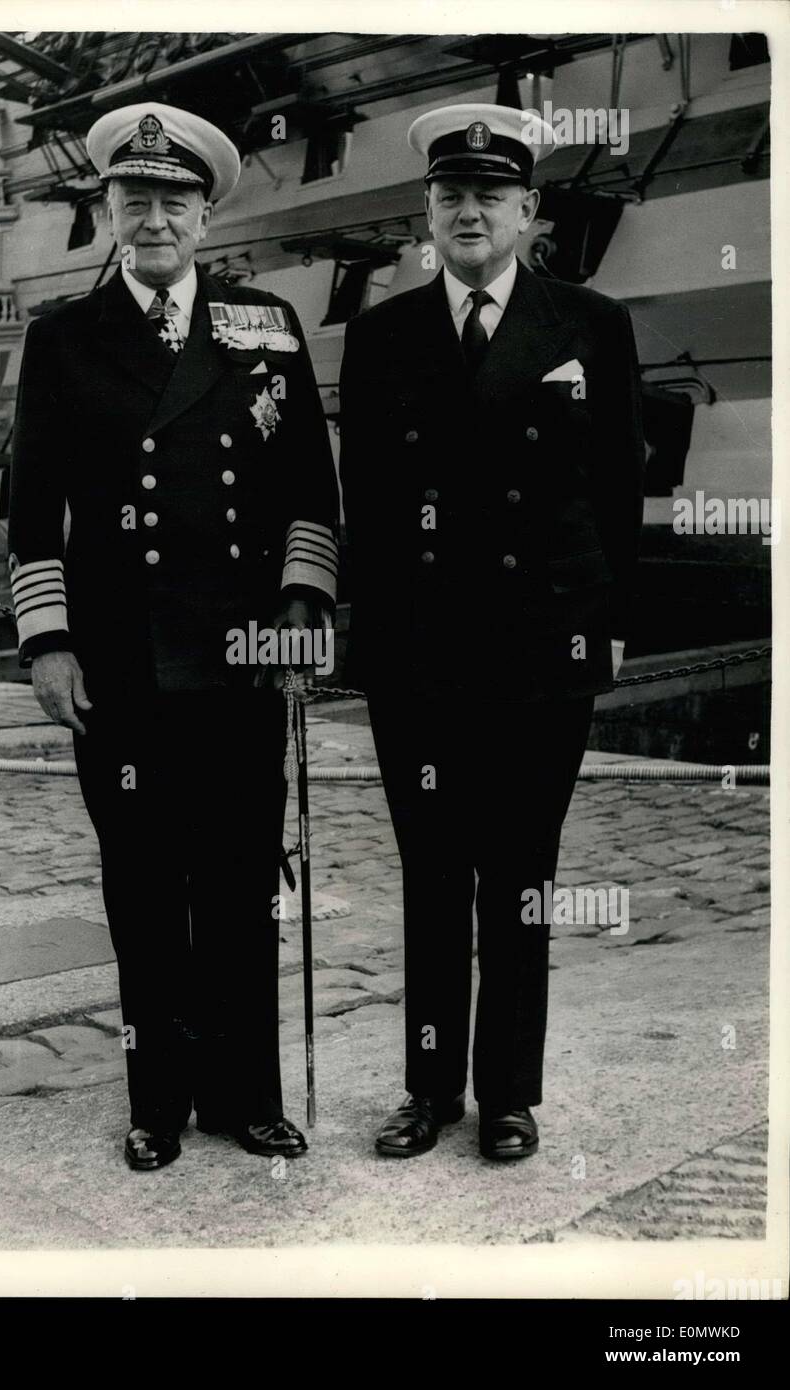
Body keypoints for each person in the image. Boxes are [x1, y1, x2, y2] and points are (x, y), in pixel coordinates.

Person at [8, 103, 338, 1171]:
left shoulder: (267, 325)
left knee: (242, 884)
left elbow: (307, 492)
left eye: (175, 200)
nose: (155, 218)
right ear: (109, 210)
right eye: (134, 199)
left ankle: (246, 1096)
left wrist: (299, 611)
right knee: (144, 889)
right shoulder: (62, 339)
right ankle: (157, 1102)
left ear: (205, 216)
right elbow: (33, 506)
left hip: (242, 659)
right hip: (122, 664)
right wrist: (48, 641)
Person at [339, 103, 645, 1162]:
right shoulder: (381, 337)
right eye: (449, 195)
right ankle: (429, 1090)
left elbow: (617, 492)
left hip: (540, 648)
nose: (469, 212)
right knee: (432, 876)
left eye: (489, 195)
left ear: (529, 210)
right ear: (429, 212)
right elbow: (368, 508)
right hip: (419, 656)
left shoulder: (593, 326)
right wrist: (365, 643)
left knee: (520, 876)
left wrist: (608, 627)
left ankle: (509, 1093)